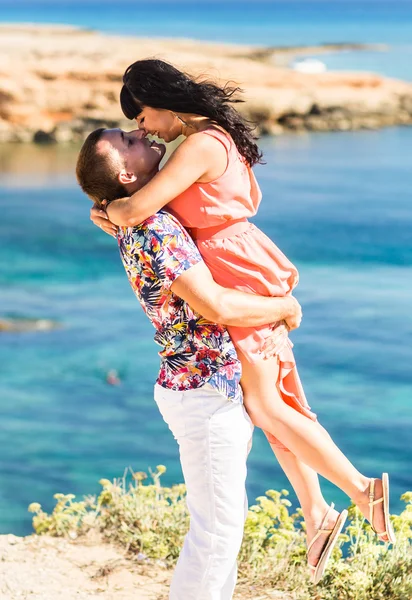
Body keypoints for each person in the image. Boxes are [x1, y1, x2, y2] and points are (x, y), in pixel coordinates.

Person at [89, 59, 396, 584]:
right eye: (135, 128)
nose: (143, 129)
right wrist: (119, 215)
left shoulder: (201, 146)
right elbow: (151, 219)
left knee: (267, 404)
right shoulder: (205, 139)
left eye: (140, 119)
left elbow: (139, 207)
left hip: (234, 273)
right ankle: (318, 512)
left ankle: (362, 490)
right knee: (271, 401)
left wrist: (110, 213)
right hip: (234, 265)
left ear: (162, 102)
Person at [76, 127, 305, 600]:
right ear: (125, 172)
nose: (140, 132)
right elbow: (215, 305)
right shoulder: (155, 228)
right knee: (216, 533)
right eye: (129, 139)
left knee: (223, 526)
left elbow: (113, 209)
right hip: (203, 394)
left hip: (203, 389)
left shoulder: (138, 217)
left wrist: (106, 209)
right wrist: (283, 308)